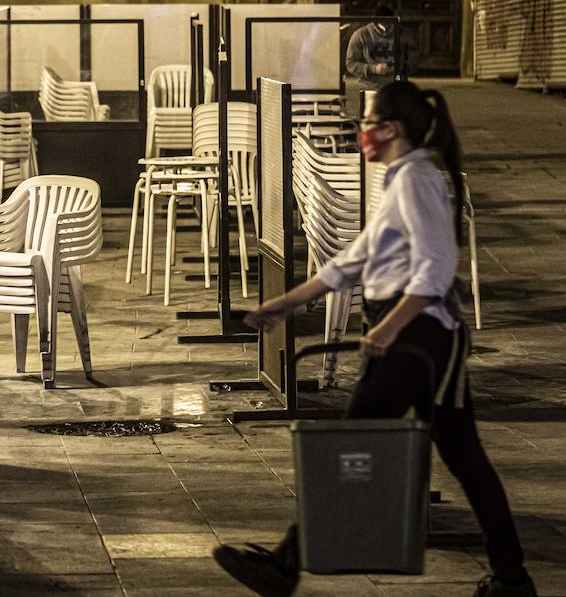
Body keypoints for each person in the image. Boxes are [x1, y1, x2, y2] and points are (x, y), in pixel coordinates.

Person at [213, 80, 535, 597]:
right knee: (463, 458)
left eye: (364, 121)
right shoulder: (401, 178)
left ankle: (284, 565)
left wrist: (385, 328)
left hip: (419, 339)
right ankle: (512, 578)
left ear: (389, 128)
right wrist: (286, 303)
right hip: (421, 337)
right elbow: (357, 259)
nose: (358, 129)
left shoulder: (415, 180)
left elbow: (435, 270)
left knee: (351, 443)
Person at [346, 3, 415, 90]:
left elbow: (415, 58)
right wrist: (373, 69)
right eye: (381, 27)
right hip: (370, 86)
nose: (386, 31)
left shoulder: (404, 34)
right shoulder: (360, 35)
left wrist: (401, 68)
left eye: (389, 26)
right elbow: (351, 63)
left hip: (398, 86)